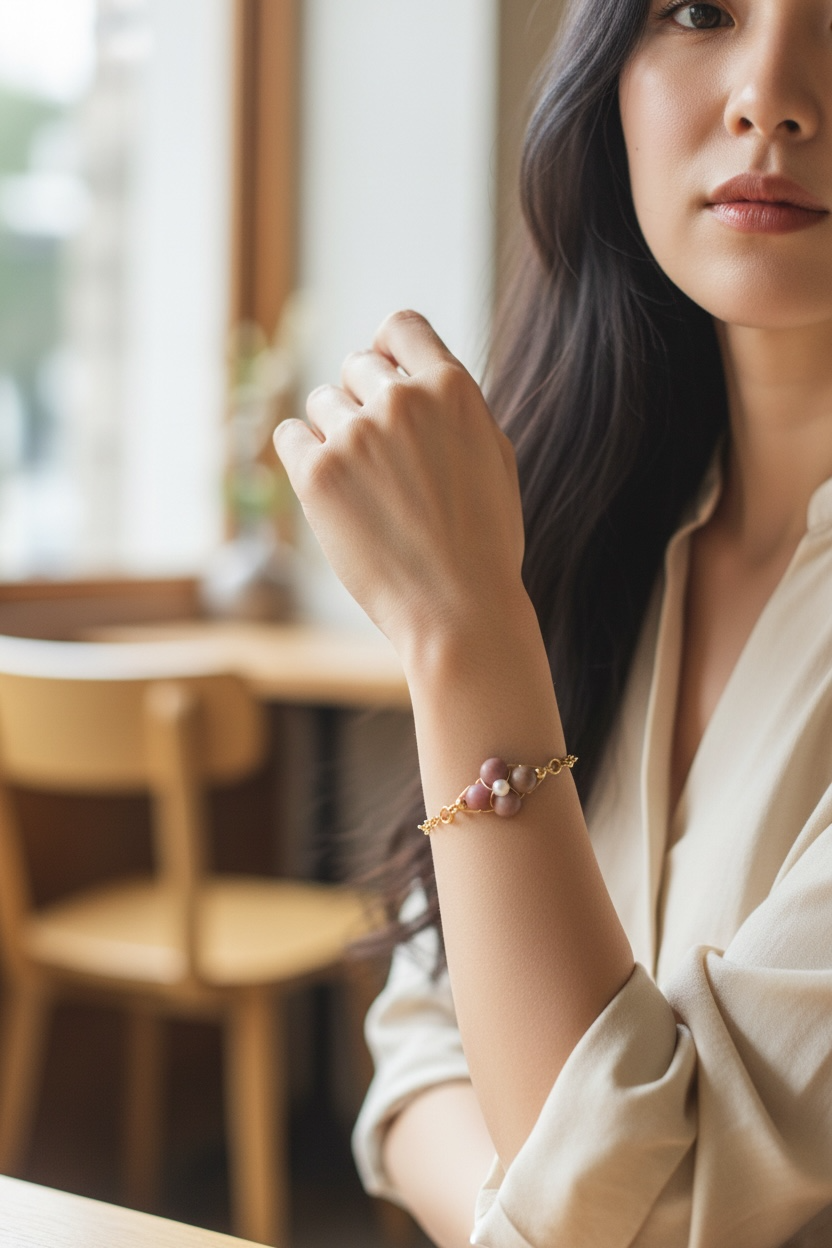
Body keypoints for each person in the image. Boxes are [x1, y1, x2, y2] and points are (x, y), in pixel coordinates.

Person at [274, 0, 832, 1243]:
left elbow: (642, 1221)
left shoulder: (491, 585)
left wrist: (462, 630)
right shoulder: (593, 514)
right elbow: (420, 1038)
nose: (770, 97)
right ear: (608, 78)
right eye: (700, 9)